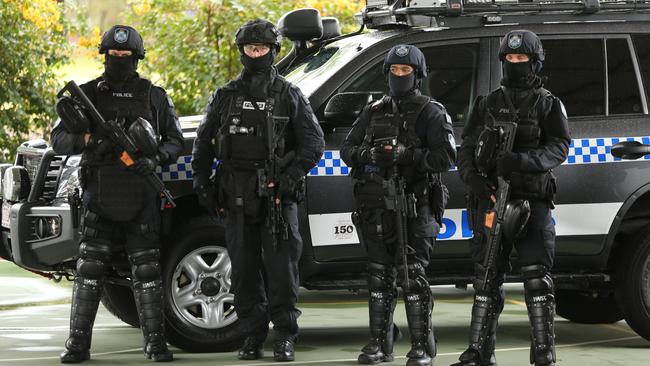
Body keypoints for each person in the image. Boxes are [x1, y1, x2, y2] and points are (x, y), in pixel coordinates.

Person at [191, 19, 325, 362]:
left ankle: (284, 336)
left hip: (277, 197)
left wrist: (293, 175)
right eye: (250, 49)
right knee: (244, 271)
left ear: (272, 52)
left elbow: (313, 143)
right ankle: (252, 335)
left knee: (282, 272)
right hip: (236, 195)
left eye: (262, 49)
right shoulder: (225, 96)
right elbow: (203, 145)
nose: (256, 54)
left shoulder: (289, 95)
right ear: (242, 53)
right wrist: (202, 183)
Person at [51, 25, 184, 363]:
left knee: (146, 271)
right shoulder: (86, 94)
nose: (120, 60)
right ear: (105, 56)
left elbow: (175, 140)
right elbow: (59, 141)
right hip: (99, 193)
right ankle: (77, 345)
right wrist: (89, 141)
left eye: (126, 56)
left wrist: (155, 159)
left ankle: (156, 345)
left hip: (141, 196)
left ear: (137, 58)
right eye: (114, 56)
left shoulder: (154, 96)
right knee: (90, 270)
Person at [453, 30, 571, 366]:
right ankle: (479, 351)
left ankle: (544, 351)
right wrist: (472, 178)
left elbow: (559, 147)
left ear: (534, 62)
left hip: (531, 201)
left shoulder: (547, 103)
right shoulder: (487, 103)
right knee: (487, 277)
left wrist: (522, 162)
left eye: (521, 59)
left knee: (536, 278)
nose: (514, 64)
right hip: (492, 202)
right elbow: (466, 148)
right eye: (509, 59)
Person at [341, 44, 456, 366]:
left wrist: (407, 156)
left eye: (406, 71)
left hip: (413, 206)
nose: (399, 76)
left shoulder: (431, 111)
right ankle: (379, 343)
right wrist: (368, 155)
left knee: (413, 277)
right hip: (377, 207)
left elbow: (446, 158)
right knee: (379, 277)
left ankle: (421, 346)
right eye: (395, 71)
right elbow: (348, 149)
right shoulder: (374, 111)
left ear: (417, 75)